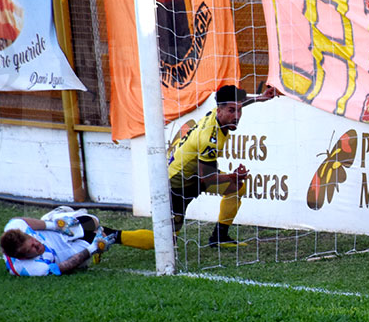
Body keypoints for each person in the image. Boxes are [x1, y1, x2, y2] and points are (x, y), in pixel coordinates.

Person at [118, 84, 281, 250]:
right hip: (177, 184)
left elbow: (237, 102)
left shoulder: (217, 115)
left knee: (236, 188)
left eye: (239, 110)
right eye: (232, 111)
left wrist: (260, 98)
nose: (237, 116)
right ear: (220, 110)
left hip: (193, 175)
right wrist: (233, 176)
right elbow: (208, 178)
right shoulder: (210, 139)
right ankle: (110, 235)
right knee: (165, 241)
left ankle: (219, 237)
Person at [0, 206, 117, 277]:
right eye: (31, 248)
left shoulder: (14, 228)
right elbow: (61, 267)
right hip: (63, 255)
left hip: (54, 235)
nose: (37, 244)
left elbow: (17, 220)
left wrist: (55, 226)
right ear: (24, 257)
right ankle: (93, 251)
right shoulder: (30, 268)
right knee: (100, 237)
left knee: (93, 221)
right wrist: (92, 249)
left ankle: (54, 216)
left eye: (32, 240)